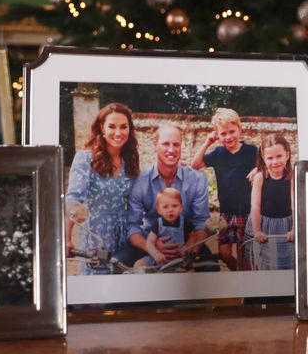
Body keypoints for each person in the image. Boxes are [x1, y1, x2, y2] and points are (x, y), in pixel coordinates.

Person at [114, 124, 210, 267]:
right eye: (166, 144)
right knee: (116, 264)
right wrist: (152, 248)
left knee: (211, 267)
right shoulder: (139, 180)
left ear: (181, 146)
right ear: (155, 144)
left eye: (176, 144)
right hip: (149, 240)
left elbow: (201, 223)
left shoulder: (197, 179)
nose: (171, 150)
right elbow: (133, 226)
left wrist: (190, 249)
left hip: (186, 242)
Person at [65, 102, 140, 274]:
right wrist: (66, 237)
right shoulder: (85, 159)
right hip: (96, 239)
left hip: (123, 242)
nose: (118, 132)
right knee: (96, 287)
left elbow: (139, 196)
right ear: (102, 128)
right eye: (112, 126)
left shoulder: (129, 162)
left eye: (123, 127)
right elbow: (73, 199)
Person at [191, 108, 258, 271]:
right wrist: (207, 142)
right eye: (223, 134)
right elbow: (195, 164)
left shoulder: (251, 151)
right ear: (217, 135)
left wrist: (258, 169)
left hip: (246, 212)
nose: (228, 137)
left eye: (232, 131)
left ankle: (244, 279)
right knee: (224, 253)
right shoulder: (218, 153)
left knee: (244, 254)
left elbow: (265, 166)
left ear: (239, 129)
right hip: (226, 213)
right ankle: (236, 272)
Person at [243, 134, 294, 270]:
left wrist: (295, 229)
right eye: (270, 158)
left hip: (285, 225)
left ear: (287, 155)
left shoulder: (292, 176)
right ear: (263, 158)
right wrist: (257, 231)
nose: (275, 161)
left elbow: (295, 204)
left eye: (279, 156)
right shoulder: (260, 176)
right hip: (263, 224)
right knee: (263, 263)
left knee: (286, 262)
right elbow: (255, 205)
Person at [135, 188, 194, 267]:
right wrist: (156, 254)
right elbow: (150, 242)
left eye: (175, 206)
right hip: (160, 258)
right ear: (159, 210)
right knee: (139, 263)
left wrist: (187, 247)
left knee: (191, 269)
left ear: (181, 207)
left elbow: (193, 237)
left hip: (180, 259)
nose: (170, 210)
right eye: (165, 207)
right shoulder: (158, 223)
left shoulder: (185, 222)